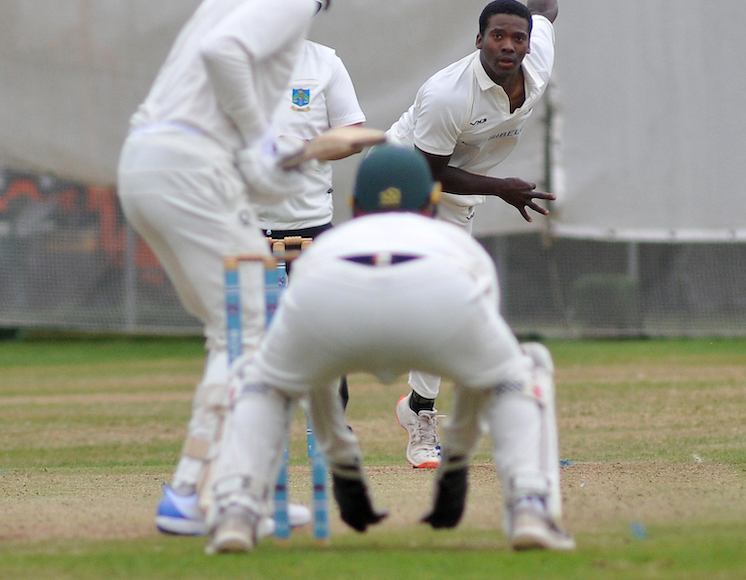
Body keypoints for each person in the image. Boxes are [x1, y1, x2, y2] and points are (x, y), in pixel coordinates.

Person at [206, 145, 574, 554]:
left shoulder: (325, 246)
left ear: (354, 206)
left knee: (259, 379)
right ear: (433, 202)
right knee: (524, 372)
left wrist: (344, 468)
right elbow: (479, 379)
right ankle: (529, 505)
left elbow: (316, 378)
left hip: (333, 284)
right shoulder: (460, 246)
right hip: (438, 287)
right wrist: (454, 466)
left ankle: (237, 509)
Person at [116, 0, 339, 537]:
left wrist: (263, 157)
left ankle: (251, 498)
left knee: (239, 329)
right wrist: (261, 139)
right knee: (255, 328)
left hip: (148, 162)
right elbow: (225, 56)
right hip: (188, 167)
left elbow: (218, 75)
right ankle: (195, 492)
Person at [386, 0, 571, 469]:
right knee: (436, 300)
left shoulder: (534, 64)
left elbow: (542, 9)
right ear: (479, 41)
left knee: (452, 306)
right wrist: (502, 188)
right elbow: (429, 173)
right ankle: (422, 422)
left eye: (517, 38)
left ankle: (419, 405)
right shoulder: (448, 97)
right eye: (497, 38)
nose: (509, 46)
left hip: (454, 190)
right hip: (404, 178)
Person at [259, 38, 367, 410]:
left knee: (324, 333)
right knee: (245, 341)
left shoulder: (325, 63)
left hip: (309, 224)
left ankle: (332, 435)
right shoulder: (233, 61)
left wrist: (308, 150)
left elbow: (354, 134)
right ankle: (248, 437)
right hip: (247, 226)